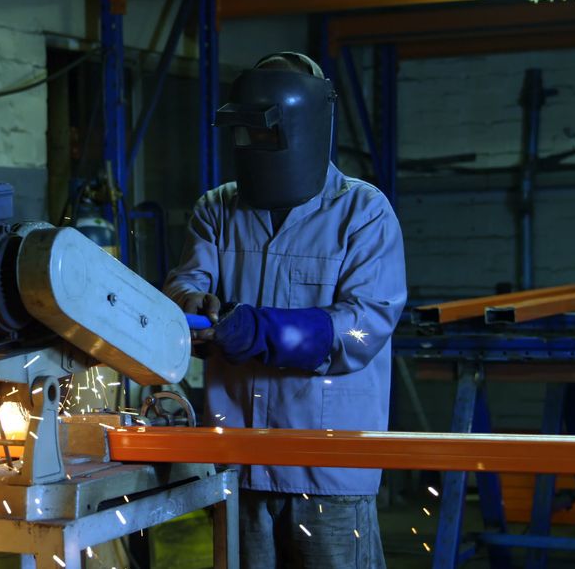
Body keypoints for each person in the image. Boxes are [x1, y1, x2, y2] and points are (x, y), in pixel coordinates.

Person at [163, 51, 406, 568]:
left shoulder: (363, 212)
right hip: (238, 464)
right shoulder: (217, 208)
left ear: (309, 123)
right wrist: (189, 305)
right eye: (251, 132)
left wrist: (261, 331)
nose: (260, 144)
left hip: (327, 469)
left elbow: (364, 325)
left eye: (270, 131)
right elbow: (186, 283)